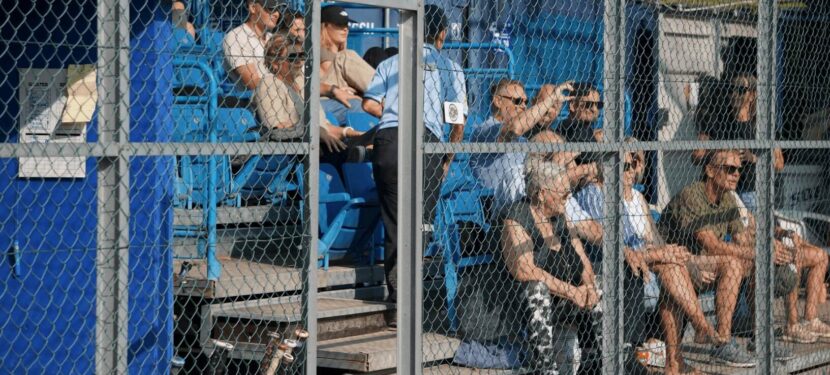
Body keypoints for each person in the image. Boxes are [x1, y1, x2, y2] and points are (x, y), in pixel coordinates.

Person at [361, 5, 467, 325]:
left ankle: (397, 299)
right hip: (426, 141)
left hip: (389, 141)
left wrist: (394, 115)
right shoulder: (448, 67)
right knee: (421, 224)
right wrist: (447, 158)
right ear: (442, 34)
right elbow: (457, 121)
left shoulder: (391, 62)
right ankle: (409, 302)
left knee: (395, 222)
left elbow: (368, 103)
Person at [658, 149, 795, 370]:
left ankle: (761, 336)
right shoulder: (693, 195)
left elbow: (743, 241)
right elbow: (712, 245)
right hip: (671, 260)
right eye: (730, 169)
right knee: (733, 263)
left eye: (739, 169)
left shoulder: (729, 199)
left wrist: (770, 249)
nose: (736, 174)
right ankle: (722, 343)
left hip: (703, 261)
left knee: (755, 261)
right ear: (710, 171)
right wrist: (760, 252)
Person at [500, 162, 599, 374]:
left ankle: (601, 359)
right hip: (527, 306)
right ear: (542, 194)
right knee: (536, 288)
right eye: (563, 193)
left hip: (566, 297)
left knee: (600, 287)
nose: (568, 197)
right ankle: (545, 368)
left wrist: (589, 286)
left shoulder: (560, 218)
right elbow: (525, 270)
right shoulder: (517, 218)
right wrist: (571, 291)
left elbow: (582, 258)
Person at [468, 79, 573, 217]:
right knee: (516, 174)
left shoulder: (522, 141)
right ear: (498, 101)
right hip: (496, 204)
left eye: (525, 102)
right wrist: (551, 99)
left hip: (528, 200)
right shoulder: (485, 130)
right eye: (517, 101)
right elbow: (514, 128)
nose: (523, 106)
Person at [255, 34, 366, 160]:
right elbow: (277, 128)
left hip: (318, 144)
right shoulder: (269, 83)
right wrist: (316, 131)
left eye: (301, 55)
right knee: (359, 151)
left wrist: (350, 132)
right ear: (275, 63)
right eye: (292, 56)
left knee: (365, 141)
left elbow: (325, 128)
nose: (299, 61)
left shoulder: (303, 81)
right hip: (293, 151)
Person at [691, 70, 784, 212]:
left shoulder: (763, 126)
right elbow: (696, 156)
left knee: (751, 214)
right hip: (722, 191)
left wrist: (753, 158)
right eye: (731, 89)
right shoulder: (717, 121)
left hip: (750, 191)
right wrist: (721, 153)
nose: (734, 94)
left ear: (752, 95)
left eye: (741, 90)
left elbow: (779, 164)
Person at [320, 5, 376, 125]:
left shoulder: (339, 54)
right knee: (346, 56)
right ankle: (390, 94)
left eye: (346, 25)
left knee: (379, 52)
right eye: (339, 25)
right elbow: (326, 83)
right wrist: (336, 89)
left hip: (339, 94)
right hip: (325, 97)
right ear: (325, 26)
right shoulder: (319, 51)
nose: (345, 29)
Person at [223, 0, 287, 91]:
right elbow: (253, 83)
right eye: (271, 8)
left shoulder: (272, 38)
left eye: (278, 9)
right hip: (254, 98)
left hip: (280, 92)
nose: (277, 14)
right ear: (253, 8)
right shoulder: (236, 37)